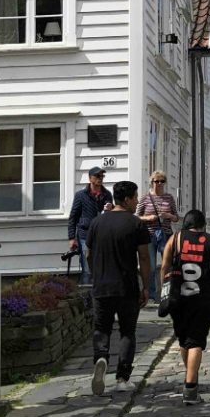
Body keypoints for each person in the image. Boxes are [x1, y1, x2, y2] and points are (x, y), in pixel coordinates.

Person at [85, 180, 150, 395]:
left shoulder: (96, 223)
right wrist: (146, 286)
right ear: (128, 199)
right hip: (127, 287)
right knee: (127, 332)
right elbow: (143, 256)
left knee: (101, 329)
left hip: (101, 286)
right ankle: (123, 378)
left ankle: (101, 358)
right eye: (136, 197)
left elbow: (88, 254)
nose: (137, 201)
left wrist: (96, 274)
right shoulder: (136, 224)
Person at [160, 208, 210, 405]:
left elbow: (164, 266)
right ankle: (190, 388)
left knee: (183, 340)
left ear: (186, 223)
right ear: (203, 225)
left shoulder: (176, 239)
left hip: (178, 297)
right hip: (202, 298)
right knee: (196, 341)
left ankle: (191, 377)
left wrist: (162, 288)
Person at [136, 171, 179, 302]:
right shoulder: (145, 198)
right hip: (149, 235)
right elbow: (136, 217)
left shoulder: (169, 198)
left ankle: (167, 293)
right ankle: (152, 294)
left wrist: (169, 216)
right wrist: (148, 217)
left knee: (168, 264)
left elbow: (176, 217)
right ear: (152, 182)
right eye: (156, 181)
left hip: (165, 235)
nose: (159, 184)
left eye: (162, 181)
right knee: (152, 267)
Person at [67, 166, 113, 284]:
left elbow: (111, 215)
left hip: (102, 235)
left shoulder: (107, 194)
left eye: (102, 176)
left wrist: (110, 209)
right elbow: (73, 217)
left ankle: (99, 298)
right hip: (85, 235)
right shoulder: (81, 195)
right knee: (87, 270)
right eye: (97, 176)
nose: (100, 178)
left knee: (102, 268)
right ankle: (86, 300)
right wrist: (72, 238)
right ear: (90, 178)